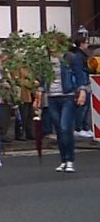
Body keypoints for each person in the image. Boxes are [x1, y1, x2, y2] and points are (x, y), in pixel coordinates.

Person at [38, 41, 89, 173]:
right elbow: (43, 79)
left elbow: (80, 75)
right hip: (52, 97)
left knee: (66, 127)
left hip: (68, 96)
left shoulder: (70, 57)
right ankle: (63, 160)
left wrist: (82, 91)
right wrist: (40, 92)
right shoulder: (46, 60)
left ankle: (70, 160)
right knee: (59, 130)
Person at [71, 35, 93, 138]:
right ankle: (79, 128)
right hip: (82, 82)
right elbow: (80, 70)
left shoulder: (81, 54)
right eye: (86, 42)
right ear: (81, 44)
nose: (88, 44)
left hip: (84, 81)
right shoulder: (79, 56)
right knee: (82, 107)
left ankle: (85, 127)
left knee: (86, 106)